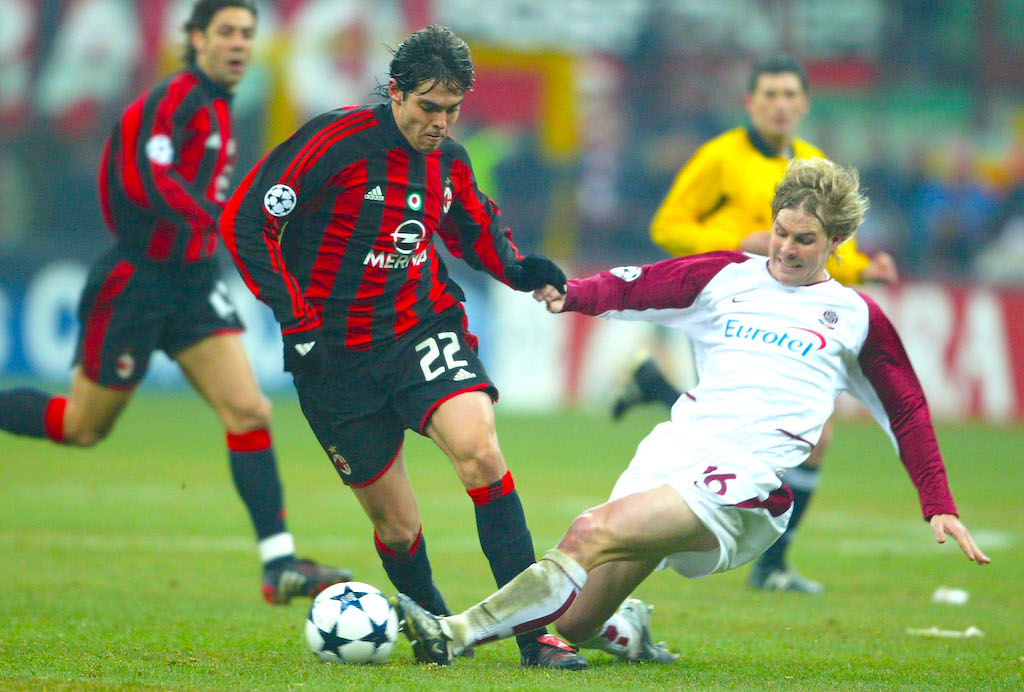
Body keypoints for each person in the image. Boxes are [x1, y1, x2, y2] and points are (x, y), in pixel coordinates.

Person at [392, 157, 991, 666]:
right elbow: (638, 285)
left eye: (805, 240)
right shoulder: (727, 276)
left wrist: (937, 501)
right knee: (573, 623)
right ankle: (628, 632)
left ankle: (452, 633)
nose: (786, 248)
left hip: (744, 483)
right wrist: (570, 294)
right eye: (781, 231)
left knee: (589, 531)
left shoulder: (856, 317)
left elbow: (907, 409)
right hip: (677, 452)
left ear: (836, 242)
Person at [218, 25, 587, 669]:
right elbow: (248, 221)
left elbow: (474, 227)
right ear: (394, 92)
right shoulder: (334, 142)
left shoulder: (449, 162)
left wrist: (521, 269)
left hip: (420, 328)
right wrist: (295, 318)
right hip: (332, 358)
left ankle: (535, 636)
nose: (440, 123)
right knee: (396, 526)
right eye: (428, 107)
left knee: (480, 452)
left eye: (452, 110)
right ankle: (435, 629)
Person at [0, 0, 351, 605]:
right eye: (226, 32)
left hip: (192, 282)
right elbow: (146, 180)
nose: (239, 44)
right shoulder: (174, 100)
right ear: (195, 38)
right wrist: (219, 215)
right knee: (83, 427)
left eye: (247, 34)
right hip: (137, 279)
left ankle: (279, 565)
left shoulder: (219, 106)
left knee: (249, 411)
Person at [613, 55, 900, 594]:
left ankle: (771, 564)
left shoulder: (814, 164)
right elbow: (668, 226)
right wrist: (736, 244)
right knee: (732, 428)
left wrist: (865, 269)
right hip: (734, 305)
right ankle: (672, 541)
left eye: (789, 94)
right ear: (750, 102)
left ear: (804, 103)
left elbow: (830, 247)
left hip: (795, 311)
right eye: (769, 94)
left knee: (814, 437)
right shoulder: (719, 157)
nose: (780, 105)